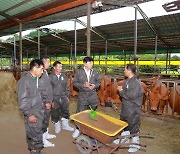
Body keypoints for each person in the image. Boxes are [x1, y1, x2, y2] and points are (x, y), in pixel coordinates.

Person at [17, 59, 45, 154]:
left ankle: (37, 149)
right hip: (32, 112)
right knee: (34, 133)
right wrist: (29, 114)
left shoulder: (35, 79)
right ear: (34, 68)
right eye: (41, 69)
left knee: (36, 132)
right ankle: (34, 151)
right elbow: (23, 100)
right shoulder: (25, 81)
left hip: (38, 110)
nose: (42, 71)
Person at [116, 64, 144, 153]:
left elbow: (131, 95)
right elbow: (126, 92)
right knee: (124, 124)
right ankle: (125, 139)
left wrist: (121, 91)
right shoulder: (128, 80)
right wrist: (122, 90)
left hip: (133, 108)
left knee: (133, 125)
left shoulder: (135, 82)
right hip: (126, 107)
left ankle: (135, 144)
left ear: (129, 70)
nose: (124, 71)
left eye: (125, 69)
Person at [72, 56, 101, 138]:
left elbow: (99, 82)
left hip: (93, 95)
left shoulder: (94, 71)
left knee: (93, 111)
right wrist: (82, 85)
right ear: (84, 63)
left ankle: (90, 127)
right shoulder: (79, 72)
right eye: (90, 62)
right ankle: (77, 128)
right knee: (80, 111)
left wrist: (95, 86)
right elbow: (75, 83)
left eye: (92, 62)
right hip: (83, 95)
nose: (92, 64)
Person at [49, 61, 74, 133]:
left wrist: (67, 97)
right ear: (54, 67)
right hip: (55, 98)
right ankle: (57, 126)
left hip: (63, 97)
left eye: (61, 67)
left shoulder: (63, 76)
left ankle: (65, 125)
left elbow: (67, 87)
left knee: (65, 111)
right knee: (55, 112)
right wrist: (52, 101)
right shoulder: (50, 77)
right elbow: (49, 90)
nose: (61, 68)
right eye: (59, 67)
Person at [39, 56, 56, 147]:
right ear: (43, 63)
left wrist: (51, 100)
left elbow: (48, 88)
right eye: (48, 62)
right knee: (43, 120)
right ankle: (42, 140)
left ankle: (46, 134)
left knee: (46, 119)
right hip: (43, 102)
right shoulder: (40, 74)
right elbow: (42, 90)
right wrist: (46, 102)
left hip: (48, 100)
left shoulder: (45, 72)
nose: (49, 64)